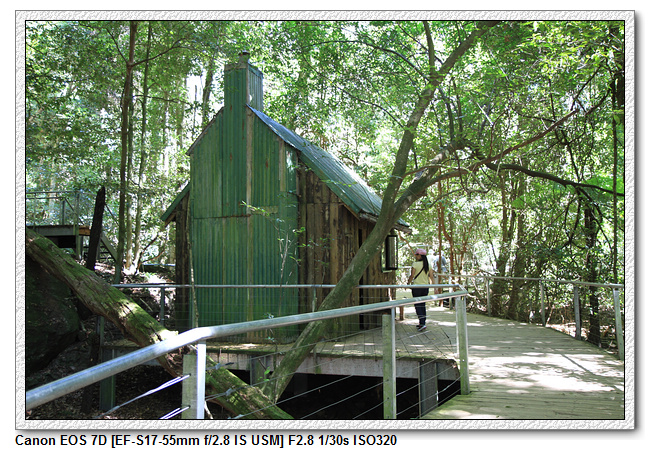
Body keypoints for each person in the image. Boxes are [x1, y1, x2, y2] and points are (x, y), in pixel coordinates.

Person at [407, 248, 434, 331]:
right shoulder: (428, 265)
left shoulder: (415, 264)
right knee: (422, 304)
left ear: (420, 256)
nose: (415, 256)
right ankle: (422, 322)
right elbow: (431, 277)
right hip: (425, 287)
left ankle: (422, 323)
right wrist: (435, 287)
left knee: (417, 305)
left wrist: (408, 283)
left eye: (416, 254)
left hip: (416, 287)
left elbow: (412, 276)